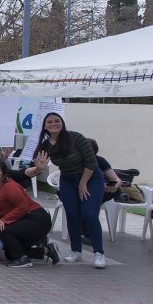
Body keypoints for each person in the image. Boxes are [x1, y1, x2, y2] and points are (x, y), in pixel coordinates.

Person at [35, 112, 105, 267]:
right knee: (72, 215)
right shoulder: (45, 145)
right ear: (45, 126)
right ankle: (76, 251)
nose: (54, 124)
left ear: (62, 123)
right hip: (67, 179)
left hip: (91, 178)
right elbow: (39, 164)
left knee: (89, 215)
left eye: (57, 121)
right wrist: (39, 166)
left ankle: (99, 253)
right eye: (50, 122)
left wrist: (83, 182)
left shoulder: (75, 137)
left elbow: (91, 161)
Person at [0, 159, 59, 268]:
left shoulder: (10, 186)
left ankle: (22, 260)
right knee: (10, 253)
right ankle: (46, 250)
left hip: (36, 219)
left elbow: (23, 206)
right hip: (22, 219)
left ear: (4, 173)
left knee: (3, 230)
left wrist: (4, 220)